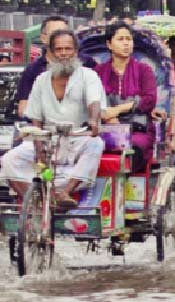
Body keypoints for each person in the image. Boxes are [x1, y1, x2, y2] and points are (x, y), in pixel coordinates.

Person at [0, 30, 105, 210]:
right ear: (51, 52)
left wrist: (94, 121)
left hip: (78, 135)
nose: (64, 53)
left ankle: (66, 193)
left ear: (76, 51)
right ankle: (36, 205)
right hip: (48, 136)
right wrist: (38, 144)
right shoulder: (41, 79)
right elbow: (35, 115)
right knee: (10, 159)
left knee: (96, 144)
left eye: (68, 49)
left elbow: (94, 101)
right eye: (59, 49)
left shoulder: (89, 76)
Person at [94, 22, 166, 169]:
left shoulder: (144, 70)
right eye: (120, 39)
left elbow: (149, 100)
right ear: (109, 44)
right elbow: (91, 100)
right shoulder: (98, 72)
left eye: (129, 39)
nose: (126, 43)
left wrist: (118, 109)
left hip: (137, 128)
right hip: (104, 126)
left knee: (134, 150)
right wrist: (109, 118)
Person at [15, 16, 96, 118]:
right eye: (56, 33)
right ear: (43, 38)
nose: (61, 37)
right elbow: (24, 109)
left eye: (65, 33)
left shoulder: (87, 64)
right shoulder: (34, 71)